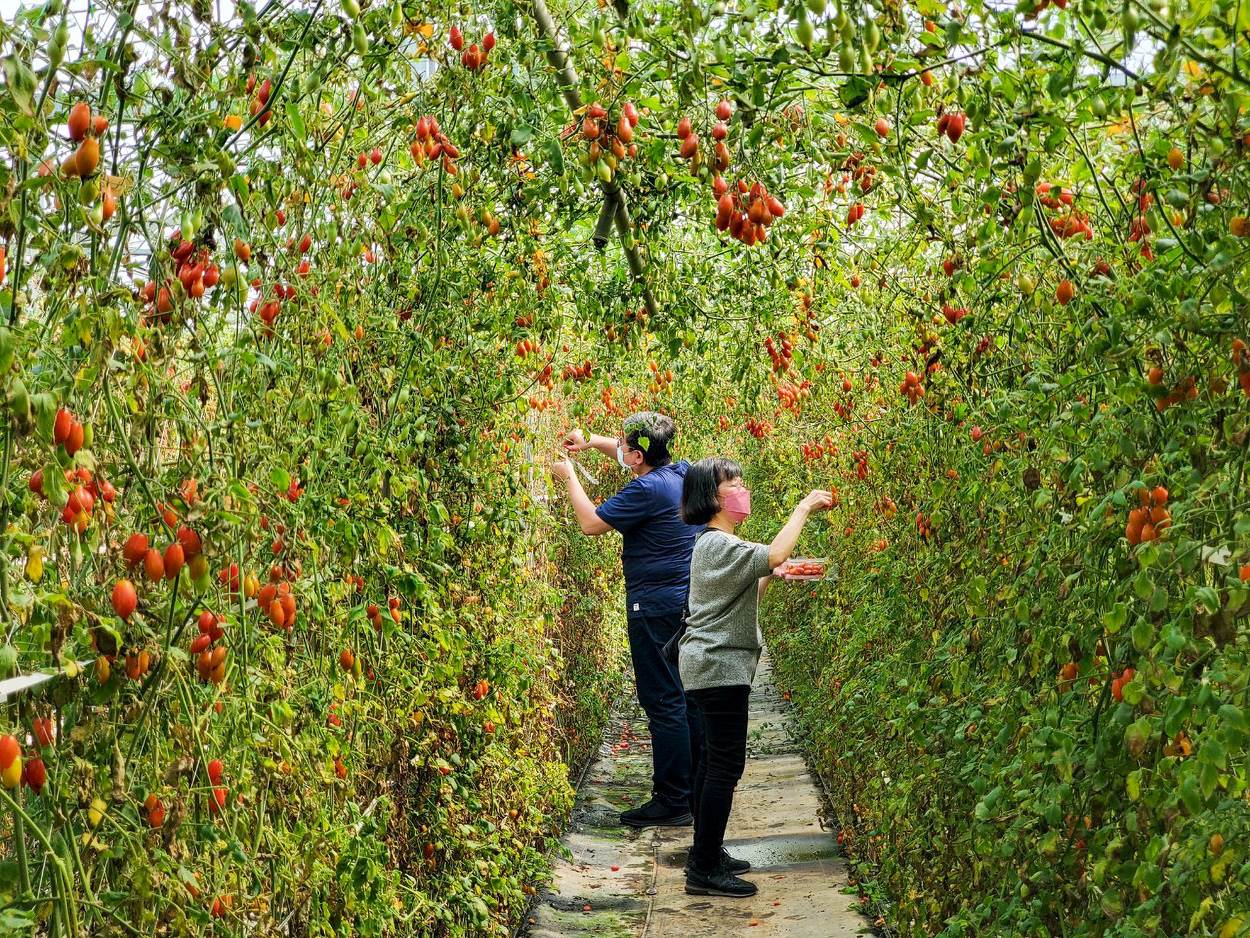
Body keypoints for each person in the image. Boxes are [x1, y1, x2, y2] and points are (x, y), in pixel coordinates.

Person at [678, 457, 833, 897]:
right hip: (718, 667)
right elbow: (776, 553)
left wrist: (771, 575)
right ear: (712, 497)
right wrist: (803, 507)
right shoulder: (718, 545)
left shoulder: (718, 546)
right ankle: (704, 870)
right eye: (735, 483)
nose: (742, 489)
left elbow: (746, 587)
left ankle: (705, 852)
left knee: (711, 763)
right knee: (724, 767)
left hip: (713, 666)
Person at [551, 412, 702, 828]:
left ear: (638, 457)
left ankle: (673, 800)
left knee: (663, 701)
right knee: (682, 697)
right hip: (684, 602)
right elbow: (625, 452)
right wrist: (589, 442)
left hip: (653, 607)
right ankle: (689, 793)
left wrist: (568, 476)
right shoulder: (683, 474)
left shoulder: (646, 490)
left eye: (625, 446)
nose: (619, 449)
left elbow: (590, 523)